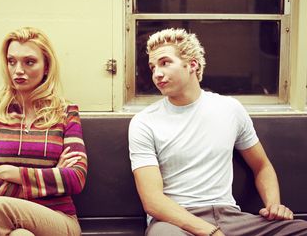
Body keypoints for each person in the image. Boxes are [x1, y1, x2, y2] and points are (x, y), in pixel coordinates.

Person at [128, 28, 307, 236]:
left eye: (165, 63)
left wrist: (274, 205)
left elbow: (261, 165)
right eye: (152, 67)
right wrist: (210, 232)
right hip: (175, 222)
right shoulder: (144, 122)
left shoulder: (230, 109)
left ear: (192, 65)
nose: (157, 74)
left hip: (230, 217)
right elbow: (153, 201)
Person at [0, 27, 87, 236]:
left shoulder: (66, 112)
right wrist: (51, 178)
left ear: (46, 66)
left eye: (29, 62)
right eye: (12, 61)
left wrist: (14, 174)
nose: (18, 70)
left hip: (58, 219)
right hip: (7, 222)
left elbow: (76, 178)